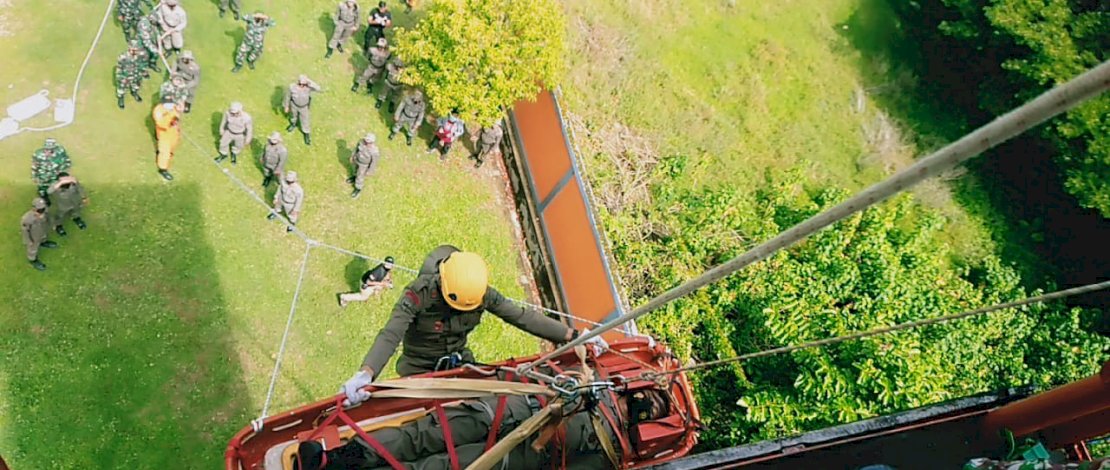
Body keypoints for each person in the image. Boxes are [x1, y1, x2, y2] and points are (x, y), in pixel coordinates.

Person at [313, 361, 665, 469]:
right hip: (502, 410)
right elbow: (543, 370)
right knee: (425, 433)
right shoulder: (595, 379)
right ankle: (338, 460)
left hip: (513, 456)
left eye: (654, 408)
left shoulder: (609, 452)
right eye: (650, 396)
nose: (647, 403)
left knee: (438, 467)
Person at [342, 245, 602, 384]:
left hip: (460, 361)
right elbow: (391, 333)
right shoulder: (418, 293)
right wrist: (367, 372)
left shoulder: (479, 292)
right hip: (419, 369)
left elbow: (521, 316)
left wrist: (575, 335)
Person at [284, 74, 322, 145]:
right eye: (300, 83)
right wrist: (286, 106)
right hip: (294, 105)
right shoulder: (292, 87)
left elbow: (319, 89)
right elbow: (287, 96)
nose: (302, 85)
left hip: (304, 107)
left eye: (304, 84)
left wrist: (310, 82)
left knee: (305, 120)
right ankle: (293, 124)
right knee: (293, 116)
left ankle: (306, 134)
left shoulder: (308, 88)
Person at [21, 198, 58, 272]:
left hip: (43, 230)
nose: (42, 211)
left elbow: (49, 217)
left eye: (43, 209)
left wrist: (53, 224)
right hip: (34, 236)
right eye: (39, 210)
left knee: (44, 236)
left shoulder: (45, 211)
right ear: (34, 208)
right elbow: (25, 231)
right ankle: (32, 259)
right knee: (33, 248)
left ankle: (43, 242)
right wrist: (29, 241)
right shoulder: (27, 219)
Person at [48, 173, 89, 237]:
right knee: (59, 216)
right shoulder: (55, 185)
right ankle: (59, 225)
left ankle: (76, 218)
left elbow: (80, 189)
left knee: (76, 211)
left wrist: (84, 197)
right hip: (62, 206)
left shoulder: (73, 183)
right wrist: (60, 183)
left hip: (75, 202)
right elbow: (49, 191)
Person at [152, 99, 182, 181]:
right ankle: (163, 169)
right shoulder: (158, 110)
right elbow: (160, 123)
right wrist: (171, 120)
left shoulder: (174, 107)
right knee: (165, 152)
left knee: (172, 148)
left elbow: (178, 115)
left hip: (174, 133)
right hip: (164, 135)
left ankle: (168, 155)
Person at [346, 132, 379, 199]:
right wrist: (352, 156)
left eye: (368, 141)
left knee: (360, 176)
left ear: (372, 142)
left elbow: (374, 163)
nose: (366, 142)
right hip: (357, 160)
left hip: (364, 165)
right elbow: (356, 149)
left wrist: (370, 171)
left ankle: (358, 188)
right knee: (355, 170)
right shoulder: (361, 142)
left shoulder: (374, 151)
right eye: (366, 140)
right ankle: (354, 177)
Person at [114, 41, 146, 109]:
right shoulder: (123, 57)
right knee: (122, 89)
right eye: (134, 49)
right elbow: (119, 68)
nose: (135, 51)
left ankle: (134, 92)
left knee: (136, 85)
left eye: (136, 49)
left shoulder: (139, 56)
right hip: (125, 76)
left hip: (136, 75)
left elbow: (142, 64)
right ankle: (121, 99)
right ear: (130, 48)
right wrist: (120, 78)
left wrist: (143, 72)